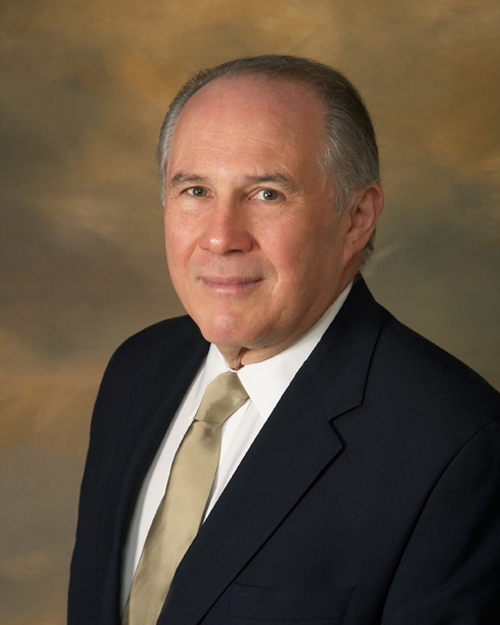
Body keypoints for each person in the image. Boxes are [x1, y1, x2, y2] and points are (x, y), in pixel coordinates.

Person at [68, 55, 500, 625]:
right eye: (195, 190)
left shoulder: (458, 447)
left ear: (357, 217)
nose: (221, 237)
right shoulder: (137, 370)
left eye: (267, 194)